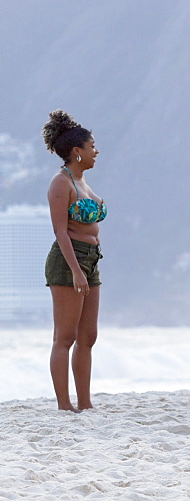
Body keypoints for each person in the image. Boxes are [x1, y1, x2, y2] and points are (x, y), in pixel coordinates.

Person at [42, 110, 105, 411]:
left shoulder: (84, 183)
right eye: (92, 145)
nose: (96, 151)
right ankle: (64, 405)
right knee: (64, 336)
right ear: (77, 152)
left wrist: (88, 265)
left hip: (91, 260)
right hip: (69, 261)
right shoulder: (61, 182)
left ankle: (85, 403)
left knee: (88, 336)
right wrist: (76, 270)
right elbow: (60, 231)